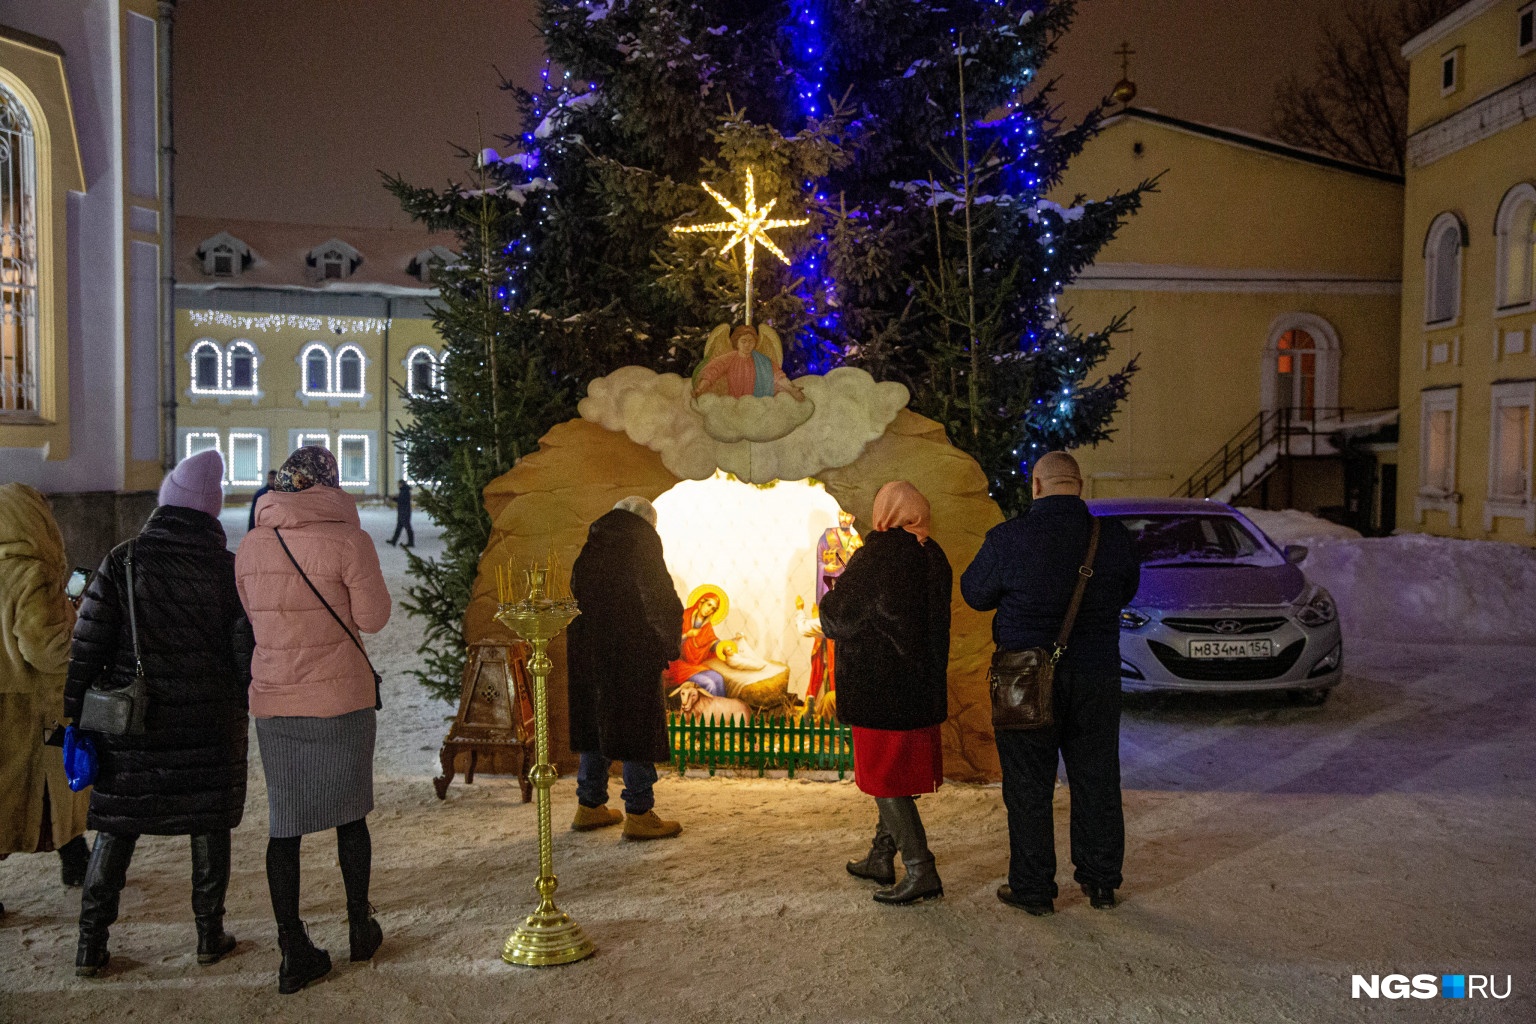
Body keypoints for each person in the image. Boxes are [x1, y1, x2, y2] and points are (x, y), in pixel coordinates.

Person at [63, 450, 252, 975]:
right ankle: (209, 936)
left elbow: (87, 647)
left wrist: (74, 717)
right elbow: (244, 660)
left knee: (117, 828)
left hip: (133, 724)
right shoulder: (228, 570)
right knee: (209, 824)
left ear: (166, 502)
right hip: (207, 727)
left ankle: (90, 945)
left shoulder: (123, 560)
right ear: (210, 512)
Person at [236, 446, 391, 994]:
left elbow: (252, 618)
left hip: (276, 700)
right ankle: (359, 926)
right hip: (340, 698)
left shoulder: (252, 543)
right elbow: (373, 619)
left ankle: (291, 948)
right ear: (332, 483)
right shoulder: (350, 539)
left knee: (286, 824)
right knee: (351, 815)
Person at [960, 451, 1140, 916]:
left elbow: (975, 594)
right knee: (1097, 779)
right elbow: (1127, 591)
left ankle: (1034, 888)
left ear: (1035, 487)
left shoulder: (1008, 539)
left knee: (1028, 785)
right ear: (1079, 485)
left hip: (1024, 677)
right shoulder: (1114, 539)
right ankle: (1100, 883)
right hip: (1097, 677)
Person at [820, 481, 952, 905]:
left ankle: (920, 869)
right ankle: (881, 856)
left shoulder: (878, 554)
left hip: (881, 689)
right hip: (918, 689)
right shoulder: (932, 554)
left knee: (883, 780)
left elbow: (838, 618)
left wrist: (831, 598)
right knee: (893, 776)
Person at [566, 496, 684, 840]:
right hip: (631, 651)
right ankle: (640, 812)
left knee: (595, 726)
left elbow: (576, 591)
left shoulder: (595, 540)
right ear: (649, 522)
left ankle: (589, 805)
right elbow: (660, 598)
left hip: (590, 650)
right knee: (636, 727)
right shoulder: (642, 540)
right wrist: (666, 644)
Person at [0, 484, 92, 918]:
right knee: (54, 786)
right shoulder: (32, 574)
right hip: (35, 710)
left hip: (7, 706)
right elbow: (46, 648)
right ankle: (75, 859)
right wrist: (78, 631)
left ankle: (75, 857)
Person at [693, 323, 806, 400]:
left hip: (756, 405)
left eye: (751, 341)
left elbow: (777, 376)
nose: (747, 345)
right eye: (743, 341)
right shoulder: (729, 358)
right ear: (736, 342)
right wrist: (700, 388)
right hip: (734, 405)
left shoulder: (763, 361)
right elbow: (713, 371)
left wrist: (792, 389)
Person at [666, 588, 727, 697]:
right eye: (709, 605)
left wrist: (723, 647)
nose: (709, 610)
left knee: (719, 679)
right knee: (710, 684)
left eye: (713, 609)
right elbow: (670, 642)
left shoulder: (707, 626)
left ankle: (721, 711)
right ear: (701, 601)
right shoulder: (683, 617)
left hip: (693, 666)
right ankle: (710, 713)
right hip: (677, 666)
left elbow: (712, 642)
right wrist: (687, 635)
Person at [386, 480, 413, 548]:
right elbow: (401, 499)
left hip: (405, 512)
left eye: (399, 484)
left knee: (407, 527)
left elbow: (401, 500)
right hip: (402, 511)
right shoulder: (404, 490)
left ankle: (411, 542)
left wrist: (393, 498)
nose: (398, 485)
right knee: (399, 527)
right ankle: (394, 540)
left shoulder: (405, 491)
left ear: (402, 484)